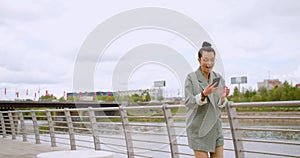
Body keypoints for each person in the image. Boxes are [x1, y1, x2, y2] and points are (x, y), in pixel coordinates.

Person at [184, 41, 230, 158]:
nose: (209, 63)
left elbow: (220, 107)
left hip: (215, 130)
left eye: (212, 60)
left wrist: (222, 98)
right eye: (206, 60)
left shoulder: (218, 78)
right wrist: (203, 94)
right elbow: (189, 102)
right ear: (199, 60)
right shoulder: (191, 78)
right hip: (198, 130)